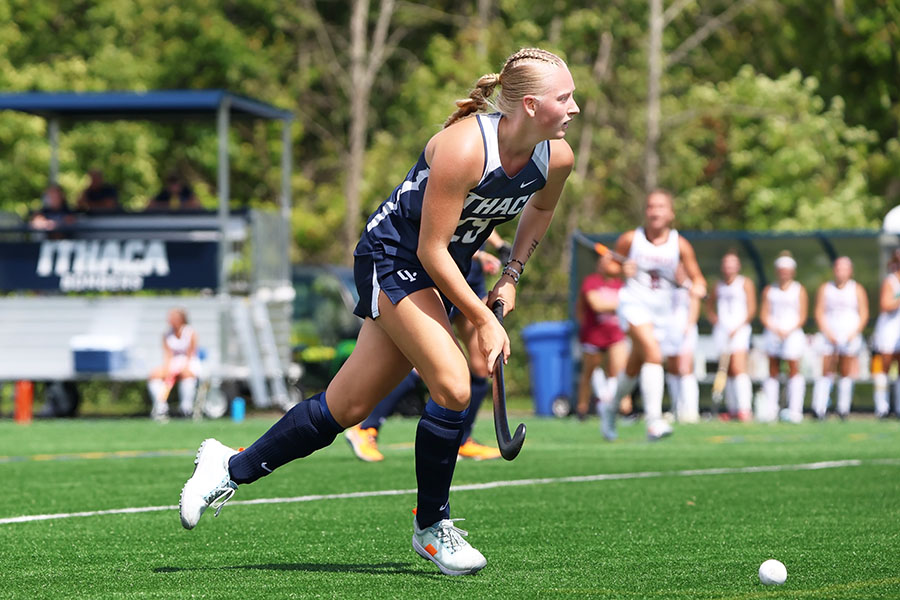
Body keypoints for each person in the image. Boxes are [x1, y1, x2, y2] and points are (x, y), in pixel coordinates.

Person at [178, 48, 579, 576]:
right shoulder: (464, 148)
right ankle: (433, 527)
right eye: (564, 98)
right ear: (529, 105)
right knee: (454, 385)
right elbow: (431, 250)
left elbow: (542, 210)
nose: (574, 108)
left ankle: (227, 466)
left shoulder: (556, 158)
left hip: (436, 266)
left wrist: (511, 276)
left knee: (345, 407)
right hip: (392, 257)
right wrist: (481, 319)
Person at [345, 232, 510, 462]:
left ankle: (462, 440)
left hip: (472, 280)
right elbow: (435, 237)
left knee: (481, 366)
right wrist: (479, 256)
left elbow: (486, 211)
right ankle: (366, 428)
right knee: (419, 364)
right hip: (443, 278)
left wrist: (499, 244)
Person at [600, 190, 706, 441]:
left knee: (635, 365)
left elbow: (698, 279)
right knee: (653, 354)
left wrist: (695, 286)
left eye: (660, 207)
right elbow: (606, 265)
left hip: (663, 313)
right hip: (633, 305)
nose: (655, 211)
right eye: (650, 206)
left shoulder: (680, 244)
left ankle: (609, 407)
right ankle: (654, 421)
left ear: (671, 213)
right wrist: (621, 268)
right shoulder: (630, 239)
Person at [811, 257, 868, 420]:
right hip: (829, 334)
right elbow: (819, 312)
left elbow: (863, 314)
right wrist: (828, 333)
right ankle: (819, 408)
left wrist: (853, 333)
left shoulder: (857, 289)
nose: (841, 272)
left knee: (846, 370)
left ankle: (843, 409)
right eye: (838, 268)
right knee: (825, 369)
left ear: (850, 271)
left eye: (845, 269)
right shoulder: (825, 288)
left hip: (850, 334)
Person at [705, 250, 757, 421]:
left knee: (738, 368)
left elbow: (751, 309)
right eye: (726, 264)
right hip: (722, 332)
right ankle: (732, 408)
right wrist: (717, 322)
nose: (729, 268)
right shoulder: (718, 285)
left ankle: (745, 408)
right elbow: (709, 307)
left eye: (732, 264)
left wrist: (737, 327)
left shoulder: (745, 283)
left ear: (738, 266)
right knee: (726, 370)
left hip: (740, 331)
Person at [575, 250, 626, 421]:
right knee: (588, 372)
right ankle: (582, 409)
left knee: (620, 371)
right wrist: (620, 303)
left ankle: (624, 409)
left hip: (615, 334)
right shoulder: (591, 282)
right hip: (593, 335)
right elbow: (596, 305)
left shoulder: (621, 285)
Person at [759, 252, 808, 423]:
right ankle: (771, 410)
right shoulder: (769, 290)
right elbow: (764, 314)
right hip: (773, 333)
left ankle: (795, 410)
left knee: (794, 369)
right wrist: (775, 329)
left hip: (792, 333)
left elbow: (802, 315)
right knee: (772, 370)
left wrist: (788, 330)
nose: (784, 273)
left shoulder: (799, 289)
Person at [663, 266, 701, 423]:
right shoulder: (665, 286)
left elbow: (695, 307)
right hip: (668, 331)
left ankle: (691, 411)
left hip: (685, 332)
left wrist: (688, 325)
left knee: (685, 369)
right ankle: (677, 408)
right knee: (672, 370)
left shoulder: (691, 287)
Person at [148, 308, 201, 421]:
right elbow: (167, 354)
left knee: (186, 375)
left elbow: (191, 353)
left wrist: (184, 367)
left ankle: (186, 408)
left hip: (189, 362)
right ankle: (161, 407)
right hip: (173, 362)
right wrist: (168, 369)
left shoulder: (190, 332)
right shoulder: (167, 334)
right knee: (154, 375)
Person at [871, 249, 900, 418]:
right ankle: (882, 408)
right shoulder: (890, 281)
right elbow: (885, 304)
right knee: (885, 367)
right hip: (889, 328)